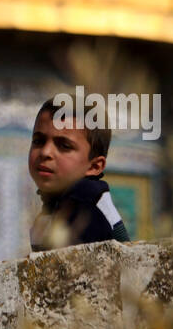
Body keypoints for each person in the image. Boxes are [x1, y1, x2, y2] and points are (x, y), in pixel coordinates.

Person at [28, 96, 131, 252]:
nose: (45, 152)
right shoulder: (53, 208)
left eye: (64, 146)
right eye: (38, 141)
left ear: (95, 166)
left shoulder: (84, 208)